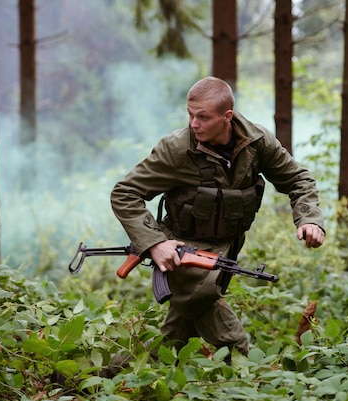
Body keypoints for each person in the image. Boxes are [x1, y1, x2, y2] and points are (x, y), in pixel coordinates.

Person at [109, 76, 325, 366]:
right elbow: (125, 193)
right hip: (183, 254)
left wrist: (309, 218)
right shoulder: (176, 150)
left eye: (203, 117)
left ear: (227, 117)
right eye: (190, 115)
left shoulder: (257, 143)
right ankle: (255, 381)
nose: (194, 123)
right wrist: (155, 243)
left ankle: (102, 374)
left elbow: (298, 178)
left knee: (172, 338)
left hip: (225, 251)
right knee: (230, 337)